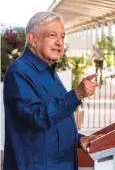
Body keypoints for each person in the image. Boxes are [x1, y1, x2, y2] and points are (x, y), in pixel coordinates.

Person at [3, 12, 101, 170]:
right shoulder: (19, 72)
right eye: (52, 35)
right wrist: (76, 95)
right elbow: (37, 118)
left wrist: (79, 139)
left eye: (62, 37)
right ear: (33, 39)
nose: (59, 42)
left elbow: (55, 124)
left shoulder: (49, 73)